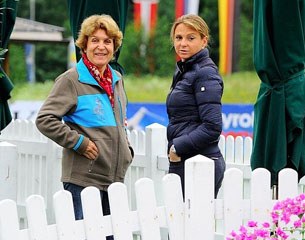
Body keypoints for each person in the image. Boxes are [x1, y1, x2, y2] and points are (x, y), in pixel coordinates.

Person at [36, 14, 133, 238]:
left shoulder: (117, 78)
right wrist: (78, 142)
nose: (101, 47)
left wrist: (126, 150)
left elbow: (119, 123)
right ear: (84, 45)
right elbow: (45, 119)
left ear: (114, 46)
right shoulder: (71, 80)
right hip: (83, 180)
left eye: (107, 41)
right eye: (95, 40)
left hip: (114, 179)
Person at [166, 14, 225, 198]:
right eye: (178, 38)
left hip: (200, 163)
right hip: (187, 161)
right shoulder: (185, 69)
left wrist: (177, 147)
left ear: (204, 41)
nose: (183, 43)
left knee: (194, 226)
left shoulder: (204, 73)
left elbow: (212, 127)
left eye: (191, 38)